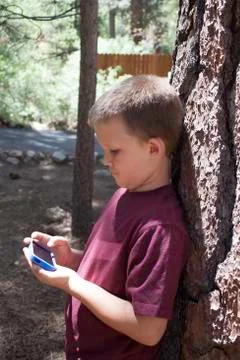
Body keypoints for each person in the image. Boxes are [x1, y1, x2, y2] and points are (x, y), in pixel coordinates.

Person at [23, 74, 189, 360]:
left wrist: (72, 282)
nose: (105, 160)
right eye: (104, 150)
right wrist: (73, 259)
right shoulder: (125, 193)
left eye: (114, 151)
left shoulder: (161, 227)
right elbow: (116, 274)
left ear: (153, 148)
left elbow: (148, 328)